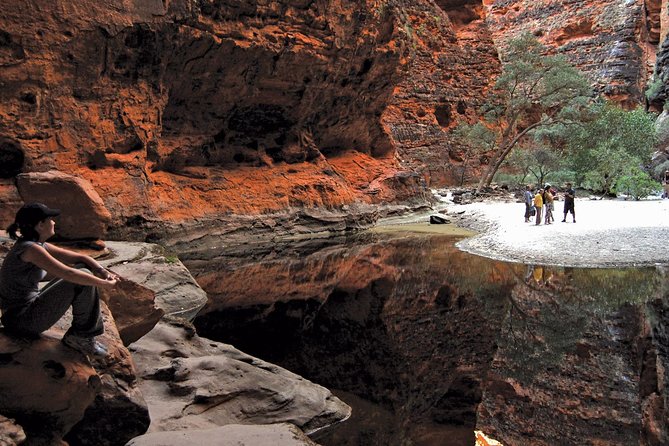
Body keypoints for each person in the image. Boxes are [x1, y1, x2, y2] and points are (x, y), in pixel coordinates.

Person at [0, 203, 119, 357]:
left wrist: (102, 271)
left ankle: (81, 335)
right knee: (78, 278)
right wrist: (103, 283)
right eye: (50, 219)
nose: (54, 222)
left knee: (83, 267)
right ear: (40, 225)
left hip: (24, 312)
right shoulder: (31, 249)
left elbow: (80, 257)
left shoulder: (37, 245)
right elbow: (67, 273)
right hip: (20, 321)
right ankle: (81, 337)